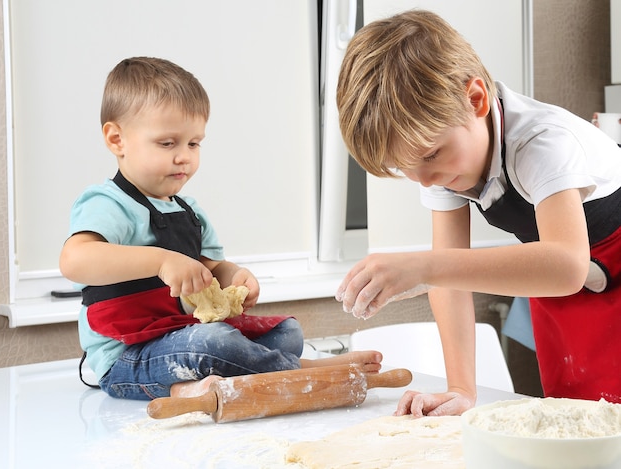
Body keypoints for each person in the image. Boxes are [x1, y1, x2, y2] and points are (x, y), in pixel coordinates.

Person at [335, 10, 621, 416]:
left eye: (431, 156)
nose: (424, 181)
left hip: (587, 264)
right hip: (570, 288)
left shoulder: (540, 142)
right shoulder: (444, 165)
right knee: (575, 415)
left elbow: (566, 263)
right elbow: (450, 281)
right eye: (405, 168)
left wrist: (422, 266)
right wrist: (461, 390)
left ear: (476, 100)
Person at [59, 56, 381, 401]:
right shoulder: (108, 204)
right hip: (128, 355)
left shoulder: (189, 210)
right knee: (213, 343)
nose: (184, 156)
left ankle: (205, 385)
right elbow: (74, 260)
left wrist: (234, 276)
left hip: (181, 335)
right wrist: (162, 261)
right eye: (168, 143)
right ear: (116, 139)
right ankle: (304, 370)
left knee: (287, 332)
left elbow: (212, 267)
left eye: (194, 143)